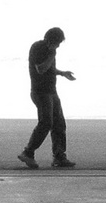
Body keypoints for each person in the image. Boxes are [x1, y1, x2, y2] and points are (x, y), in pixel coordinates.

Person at [18, 26, 76, 168]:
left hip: (51, 91)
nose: (58, 46)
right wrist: (52, 55)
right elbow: (41, 69)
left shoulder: (50, 50)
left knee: (59, 124)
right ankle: (28, 152)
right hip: (40, 92)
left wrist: (62, 73)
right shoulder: (38, 48)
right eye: (58, 43)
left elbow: (50, 68)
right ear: (51, 40)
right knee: (46, 123)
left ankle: (59, 156)